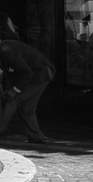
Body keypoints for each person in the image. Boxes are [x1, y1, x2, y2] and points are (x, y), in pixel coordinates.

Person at [0, 12, 56, 144]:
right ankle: (36, 137)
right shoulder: (4, 50)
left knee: (14, 100)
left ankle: (1, 130)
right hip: (36, 73)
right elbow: (9, 72)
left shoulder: (6, 51)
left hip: (40, 74)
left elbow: (26, 74)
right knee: (26, 107)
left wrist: (14, 90)